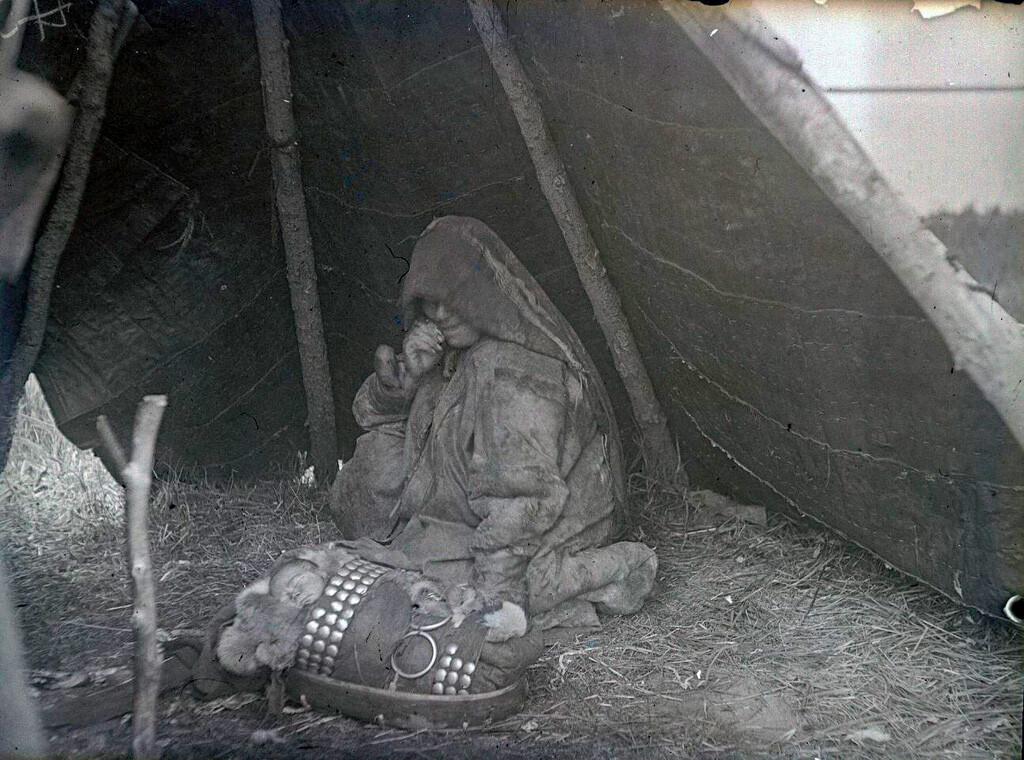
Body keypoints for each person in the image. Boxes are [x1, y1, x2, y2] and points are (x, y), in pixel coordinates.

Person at [191, 217, 656, 713]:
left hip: (542, 526)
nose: (437, 311)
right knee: (364, 559)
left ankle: (610, 569)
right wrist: (406, 380)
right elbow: (371, 427)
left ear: (484, 292)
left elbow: (522, 500)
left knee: (468, 598)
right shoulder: (453, 355)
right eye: (427, 300)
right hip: (462, 517)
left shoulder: (517, 371)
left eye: (451, 296)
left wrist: (492, 601)